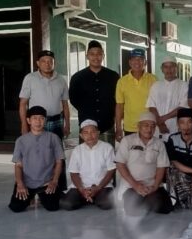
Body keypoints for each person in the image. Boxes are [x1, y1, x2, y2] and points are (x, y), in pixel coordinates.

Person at [18, 49, 70, 190]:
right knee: (35, 155)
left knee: (57, 154)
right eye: (44, 61)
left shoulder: (61, 80)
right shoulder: (30, 78)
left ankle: (59, 187)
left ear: (54, 63)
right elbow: (23, 104)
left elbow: (65, 104)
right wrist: (24, 125)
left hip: (56, 121)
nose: (47, 64)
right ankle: (33, 187)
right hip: (36, 122)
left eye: (50, 61)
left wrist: (67, 124)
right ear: (38, 63)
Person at [115, 111, 173, 215]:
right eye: (146, 125)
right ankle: (143, 201)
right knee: (132, 211)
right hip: (131, 186)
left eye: (152, 126)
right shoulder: (127, 140)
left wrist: (155, 186)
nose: (149, 129)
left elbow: (161, 167)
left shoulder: (159, 143)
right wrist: (136, 185)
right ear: (138, 126)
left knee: (165, 208)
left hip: (152, 186)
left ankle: (146, 200)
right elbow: (120, 164)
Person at [8, 106, 64, 213]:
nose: (38, 122)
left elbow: (59, 162)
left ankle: (47, 195)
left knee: (53, 207)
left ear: (45, 120)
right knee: (16, 207)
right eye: (34, 118)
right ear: (28, 120)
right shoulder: (21, 140)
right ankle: (31, 196)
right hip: (27, 183)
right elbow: (18, 165)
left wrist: (54, 181)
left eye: (41, 118)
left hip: (46, 182)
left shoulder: (53, 138)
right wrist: (20, 183)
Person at [69, 41, 119, 143]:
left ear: (103, 56)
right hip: (86, 126)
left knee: (108, 152)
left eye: (99, 54)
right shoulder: (77, 77)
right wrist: (86, 110)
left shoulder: (113, 76)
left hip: (107, 125)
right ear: (87, 56)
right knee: (86, 153)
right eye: (92, 54)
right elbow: (73, 99)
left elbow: (118, 99)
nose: (96, 57)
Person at [60, 119, 115, 211]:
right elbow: (73, 173)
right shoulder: (77, 150)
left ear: (98, 133)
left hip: (102, 186)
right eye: (86, 133)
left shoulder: (107, 148)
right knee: (66, 204)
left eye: (93, 132)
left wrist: (98, 188)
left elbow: (111, 170)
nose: (90, 135)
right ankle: (88, 196)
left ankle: (89, 197)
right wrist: (81, 189)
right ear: (81, 135)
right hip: (81, 187)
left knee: (106, 203)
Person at [115, 48, 157, 141]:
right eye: (134, 59)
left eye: (141, 59)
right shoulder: (122, 81)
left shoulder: (153, 80)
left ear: (145, 62)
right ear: (130, 62)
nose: (137, 62)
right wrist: (118, 128)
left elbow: (158, 104)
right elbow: (119, 106)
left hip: (149, 126)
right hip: (130, 127)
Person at [146, 55, 188, 140]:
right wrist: (160, 124)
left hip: (176, 128)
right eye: (166, 67)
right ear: (162, 69)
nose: (169, 70)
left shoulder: (184, 85)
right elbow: (151, 106)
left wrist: (162, 119)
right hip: (157, 130)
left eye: (171, 66)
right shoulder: (156, 85)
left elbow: (183, 107)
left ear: (176, 68)